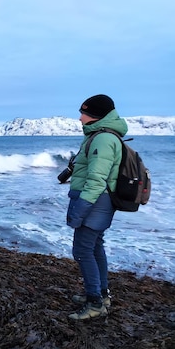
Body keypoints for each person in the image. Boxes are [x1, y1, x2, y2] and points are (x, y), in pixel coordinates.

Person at [65, 94, 127, 320]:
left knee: (82, 251)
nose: (80, 118)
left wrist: (79, 210)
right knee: (95, 247)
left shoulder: (102, 139)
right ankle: (101, 294)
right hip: (100, 201)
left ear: (97, 117)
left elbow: (96, 180)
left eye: (85, 114)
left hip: (94, 201)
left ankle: (95, 304)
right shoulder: (101, 136)